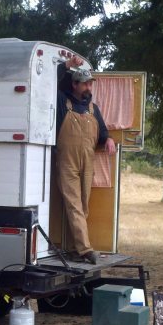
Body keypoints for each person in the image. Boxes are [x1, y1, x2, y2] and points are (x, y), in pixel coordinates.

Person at [56, 56, 116, 264]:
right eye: (85, 83)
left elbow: (102, 132)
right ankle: (85, 250)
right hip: (67, 161)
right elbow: (49, 83)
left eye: (91, 83)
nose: (89, 87)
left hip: (88, 161)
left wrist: (108, 139)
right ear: (75, 84)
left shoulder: (94, 109)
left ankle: (75, 248)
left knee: (83, 205)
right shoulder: (62, 102)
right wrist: (66, 66)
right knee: (74, 205)